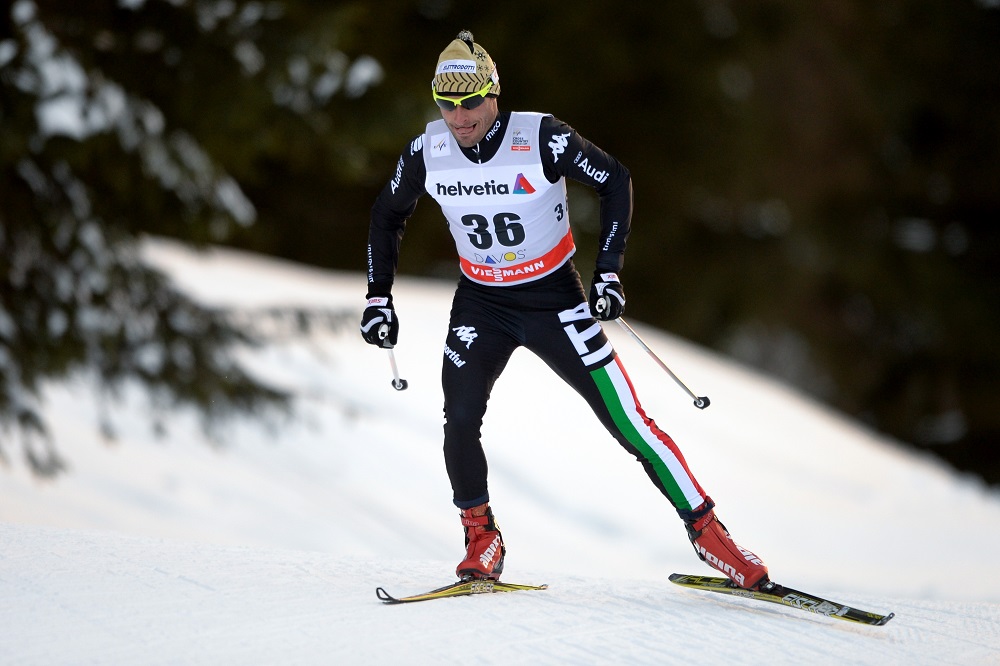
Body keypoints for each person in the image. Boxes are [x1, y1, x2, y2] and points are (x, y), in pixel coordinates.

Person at [360, 30, 770, 590]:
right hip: (481, 301)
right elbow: (387, 215)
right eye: (446, 104)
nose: (458, 118)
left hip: (553, 297)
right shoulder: (426, 151)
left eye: (470, 102)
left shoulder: (541, 137)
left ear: (494, 93)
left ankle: (712, 537)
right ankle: (482, 538)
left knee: (629, 423)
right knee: (458, 421)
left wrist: (608, 270)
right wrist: (378, 296)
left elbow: (615, 179)